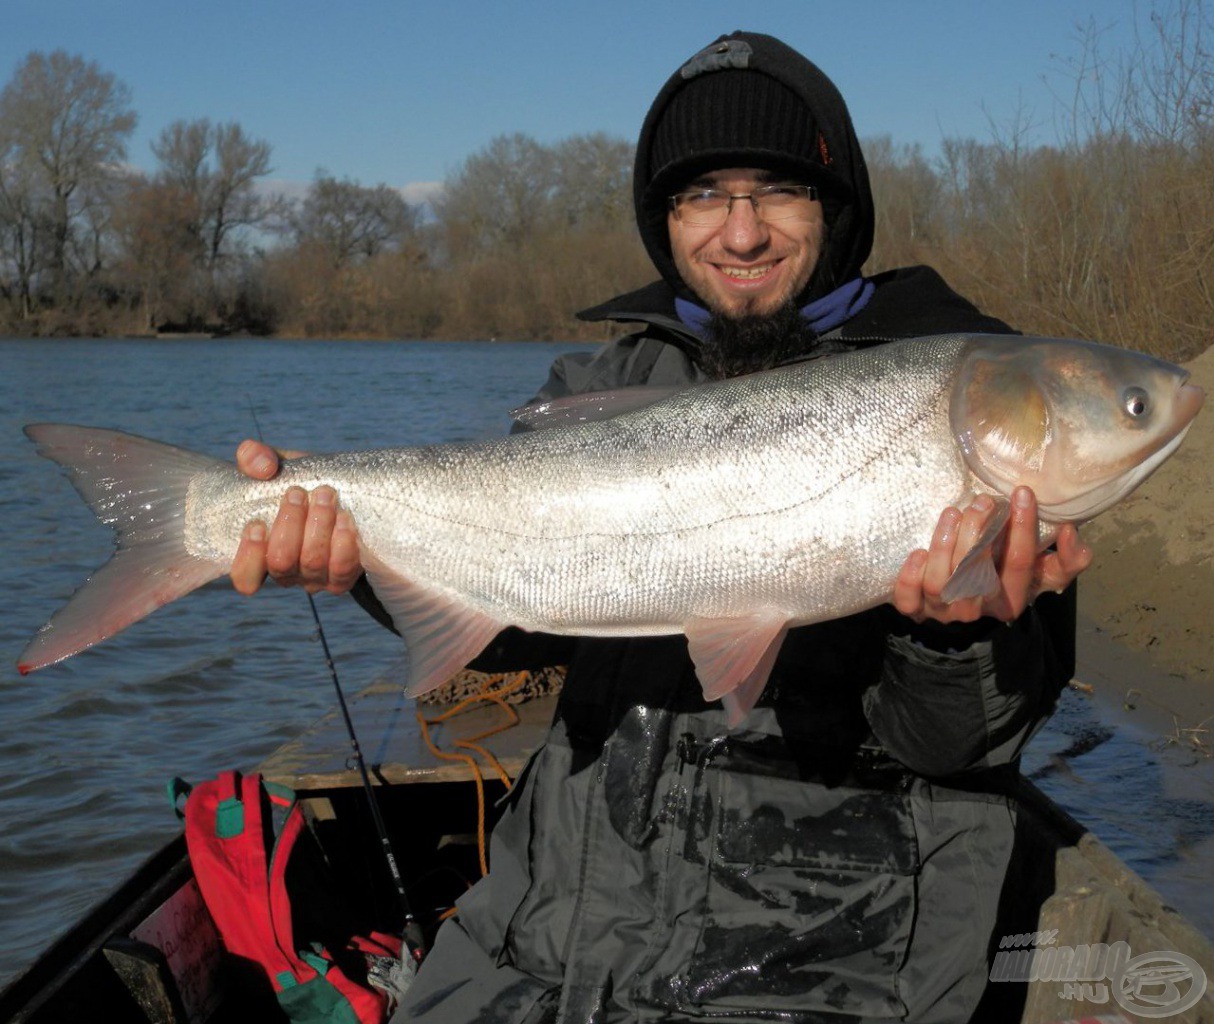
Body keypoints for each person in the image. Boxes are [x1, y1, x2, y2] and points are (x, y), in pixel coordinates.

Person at [232, 31, 1092, 1024]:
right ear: (663, 217)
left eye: (776, 189)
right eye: (700, 195)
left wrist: (955, 639)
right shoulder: (597, 386)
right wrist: (363, 565)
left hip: (829, 963)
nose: (739, 234)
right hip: (540, 942)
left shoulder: (974, 393)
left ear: (834, 206)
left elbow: (957, 752)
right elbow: (520, 628)